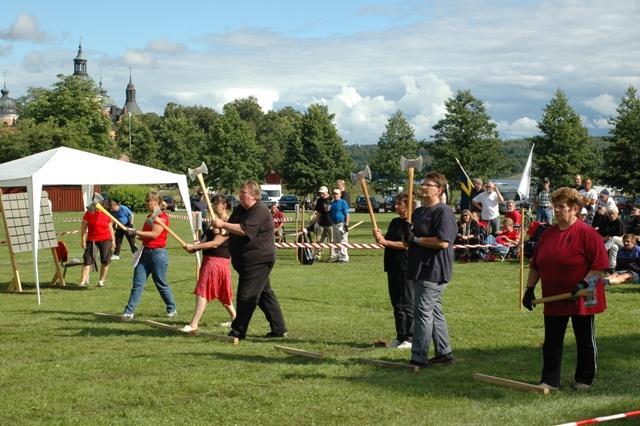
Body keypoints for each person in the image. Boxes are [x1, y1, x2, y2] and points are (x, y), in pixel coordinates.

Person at [522, 187, 609, 391]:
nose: (556, 211)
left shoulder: (587, 233)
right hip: (554, 297)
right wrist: (529, 289)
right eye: (555, 207)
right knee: (552, 340)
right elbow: (536, 264)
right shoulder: (548, 234)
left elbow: (599, 267)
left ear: (575, 209)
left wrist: (582, 283)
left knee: (584, 338)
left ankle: (584, 380)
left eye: (562, 207)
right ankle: (550, 380)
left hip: (582, 296)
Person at [212, 180, 287, 339]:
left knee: (246, 296)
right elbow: (231, 228)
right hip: (246, 261)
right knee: (264, 295)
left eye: (243, 193)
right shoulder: (240, 209)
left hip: (258, 260)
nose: (240, 195)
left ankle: (238, 331)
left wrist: (223, 225)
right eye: (240, 192)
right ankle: (279, 329)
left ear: (254, 195)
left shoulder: (259, 210)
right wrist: (221, 229)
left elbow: (244, 230)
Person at [405, 171, 458, 367]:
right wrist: (407, 235)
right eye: (423, 184)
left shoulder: (443, 212)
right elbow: (412, 238)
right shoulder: (418, 212)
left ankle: (418, 356)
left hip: (434, 269)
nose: (424, 187)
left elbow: (443, 242)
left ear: (439, 189)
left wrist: (417, 239)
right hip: (419, 267)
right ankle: (444, 352)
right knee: (434, 311)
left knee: (422, 313)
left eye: (429, 185)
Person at [180, 195, 236, 333]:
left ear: (224, 205)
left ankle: (194, 324)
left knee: (202, 290)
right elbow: (204, 240)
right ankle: (236, 318)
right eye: (213, 202)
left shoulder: (228, 222)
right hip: (210, 259)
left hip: (217, 261)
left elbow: (216, 243)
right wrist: (194, 247)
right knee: (222, 293)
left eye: (216, 203)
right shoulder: (214, 222)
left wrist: (195, 248)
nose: (213, 205)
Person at [122, 192, 177, 320]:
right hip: (145, 252)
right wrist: (133, 234)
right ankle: (129, 312)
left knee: (160, 283)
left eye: (148, 201)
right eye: (146, 201)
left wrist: (136, 231)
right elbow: (144, 235)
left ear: (155, 202)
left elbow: (154, 234)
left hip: (158, 254)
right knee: (138, 283)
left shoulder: (161, 218)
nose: (146, 203)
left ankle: (171, 308)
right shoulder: (149, 216)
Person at [373, 193, 413, 349]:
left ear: (407, 206)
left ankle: (411, 338)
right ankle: (400, 336)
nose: (395, 206)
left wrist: (385, 241)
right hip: (392, 265)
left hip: (406, 266)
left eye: (398, 204)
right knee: (396, 303)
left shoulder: (411, 222)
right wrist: (379, 237)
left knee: (407, 303)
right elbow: (387, 242)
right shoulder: (394, 221)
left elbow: (406, 244)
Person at [79, 203, 115, 287]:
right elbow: (83, 227)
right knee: (87, 260)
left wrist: (113, 241)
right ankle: (83, 282)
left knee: (105, 260)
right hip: (92, 240)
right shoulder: (88, 213)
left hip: (106, 239)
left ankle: (101, 281)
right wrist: (83, 240)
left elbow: (110, 227)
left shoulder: (106, 213)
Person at [307, 186, 333, 260]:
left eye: (323, 193)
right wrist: (313, 223)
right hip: (321, 223)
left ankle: (332, 256)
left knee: (331, 241)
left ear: (326, 192)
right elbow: (318, 213)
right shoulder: (319, 200)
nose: (321, 195)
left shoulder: (332, 199)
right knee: (319, 240)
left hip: (331, 223)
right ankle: (317, 255)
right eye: (320, 193)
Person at [601, 205, 625, 273]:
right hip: (610, 243)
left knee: (614, 238)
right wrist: (603, 238)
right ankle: (612, 268)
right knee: (614, 247)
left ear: (617, 213)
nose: (611, 215)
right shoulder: (605, 222)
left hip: (622, 242)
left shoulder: (619, 223)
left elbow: (622, 236)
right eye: (610, 213)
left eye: (613, 213)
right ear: (607, 214)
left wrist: (610, 239)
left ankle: (601, 251)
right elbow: (599, 233)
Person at [330, 188, 350, 263]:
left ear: (340, 194)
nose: (335, 195)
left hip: (341, 223)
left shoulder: (343, 202)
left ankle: (344, 258)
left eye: (337, 194)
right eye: (334, 194)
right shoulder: (332, 203)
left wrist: (346, 224)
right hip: (334, 224)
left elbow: (347, 214)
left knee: (343, 240)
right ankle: (338, 256)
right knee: (336, 241)